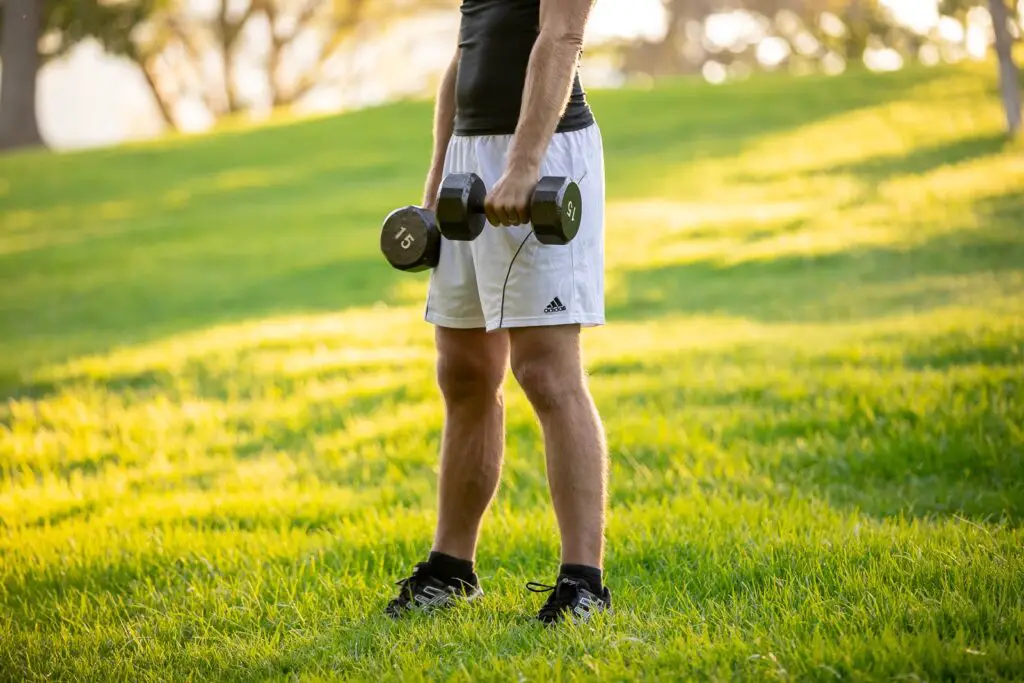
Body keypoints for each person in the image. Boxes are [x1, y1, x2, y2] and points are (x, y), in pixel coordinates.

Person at [385, 0, 610, 625]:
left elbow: (561, 37)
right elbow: (466, 55)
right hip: (469, 159)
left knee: (546, 372)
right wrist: (434, 192)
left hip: (546, 153)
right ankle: (451, 569)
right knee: (462, 372)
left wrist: (523, 164)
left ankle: (583, 581)